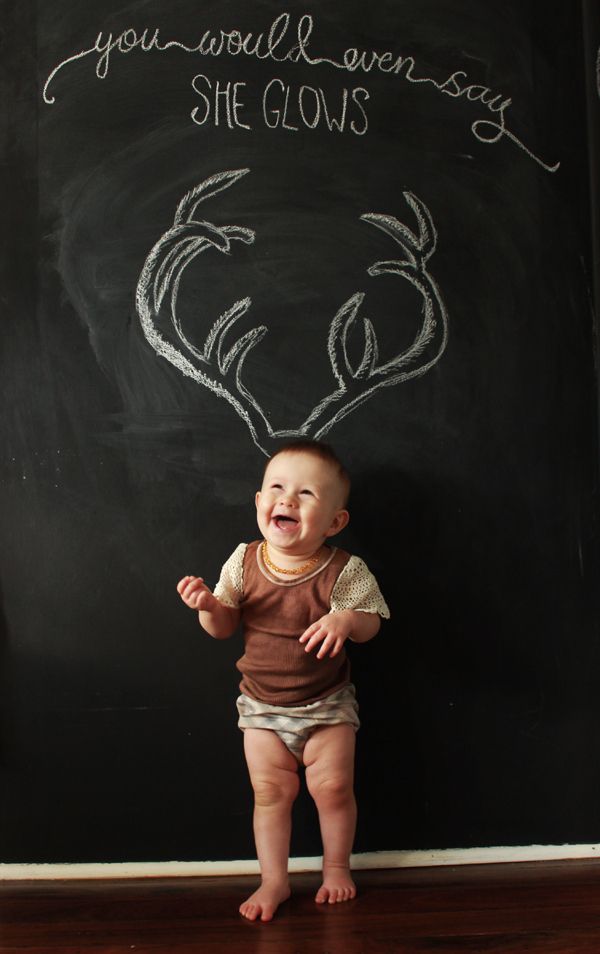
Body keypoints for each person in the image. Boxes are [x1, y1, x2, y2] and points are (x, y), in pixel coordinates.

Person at [177, 440, 389, 922]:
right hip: (262, 708)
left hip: (326, 705)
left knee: (334, 789)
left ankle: (336, 867)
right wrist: (209, 607)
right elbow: (225, 627)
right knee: (271, 794)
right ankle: (274, 879)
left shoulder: (344, 569)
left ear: (335, 522)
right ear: (259, 503)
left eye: (307, 493)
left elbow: (372, 624)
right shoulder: (245, 560)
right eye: (277, 487)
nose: (288, 499)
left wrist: (346, 620)